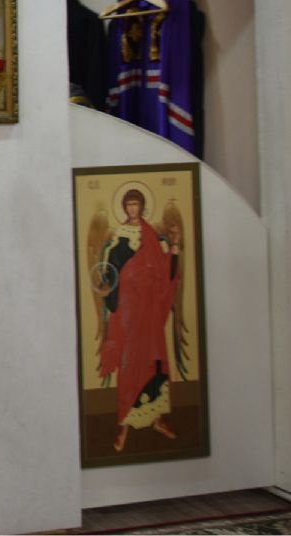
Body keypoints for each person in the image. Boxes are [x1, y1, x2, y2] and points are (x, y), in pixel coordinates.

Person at [93, 186, 184, 454]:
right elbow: (109, 273)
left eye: (136, 204)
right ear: (124, 207)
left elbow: (167, 272)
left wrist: (175, 244)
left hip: (150, 314)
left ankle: (158, 420)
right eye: (129, 204)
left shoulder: (153, 237)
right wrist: (107, 289)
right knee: (130, 366)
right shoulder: (118, 238)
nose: (133, 209)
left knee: (155, 364)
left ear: (142, 206)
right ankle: (124, 427)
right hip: (129, 315)